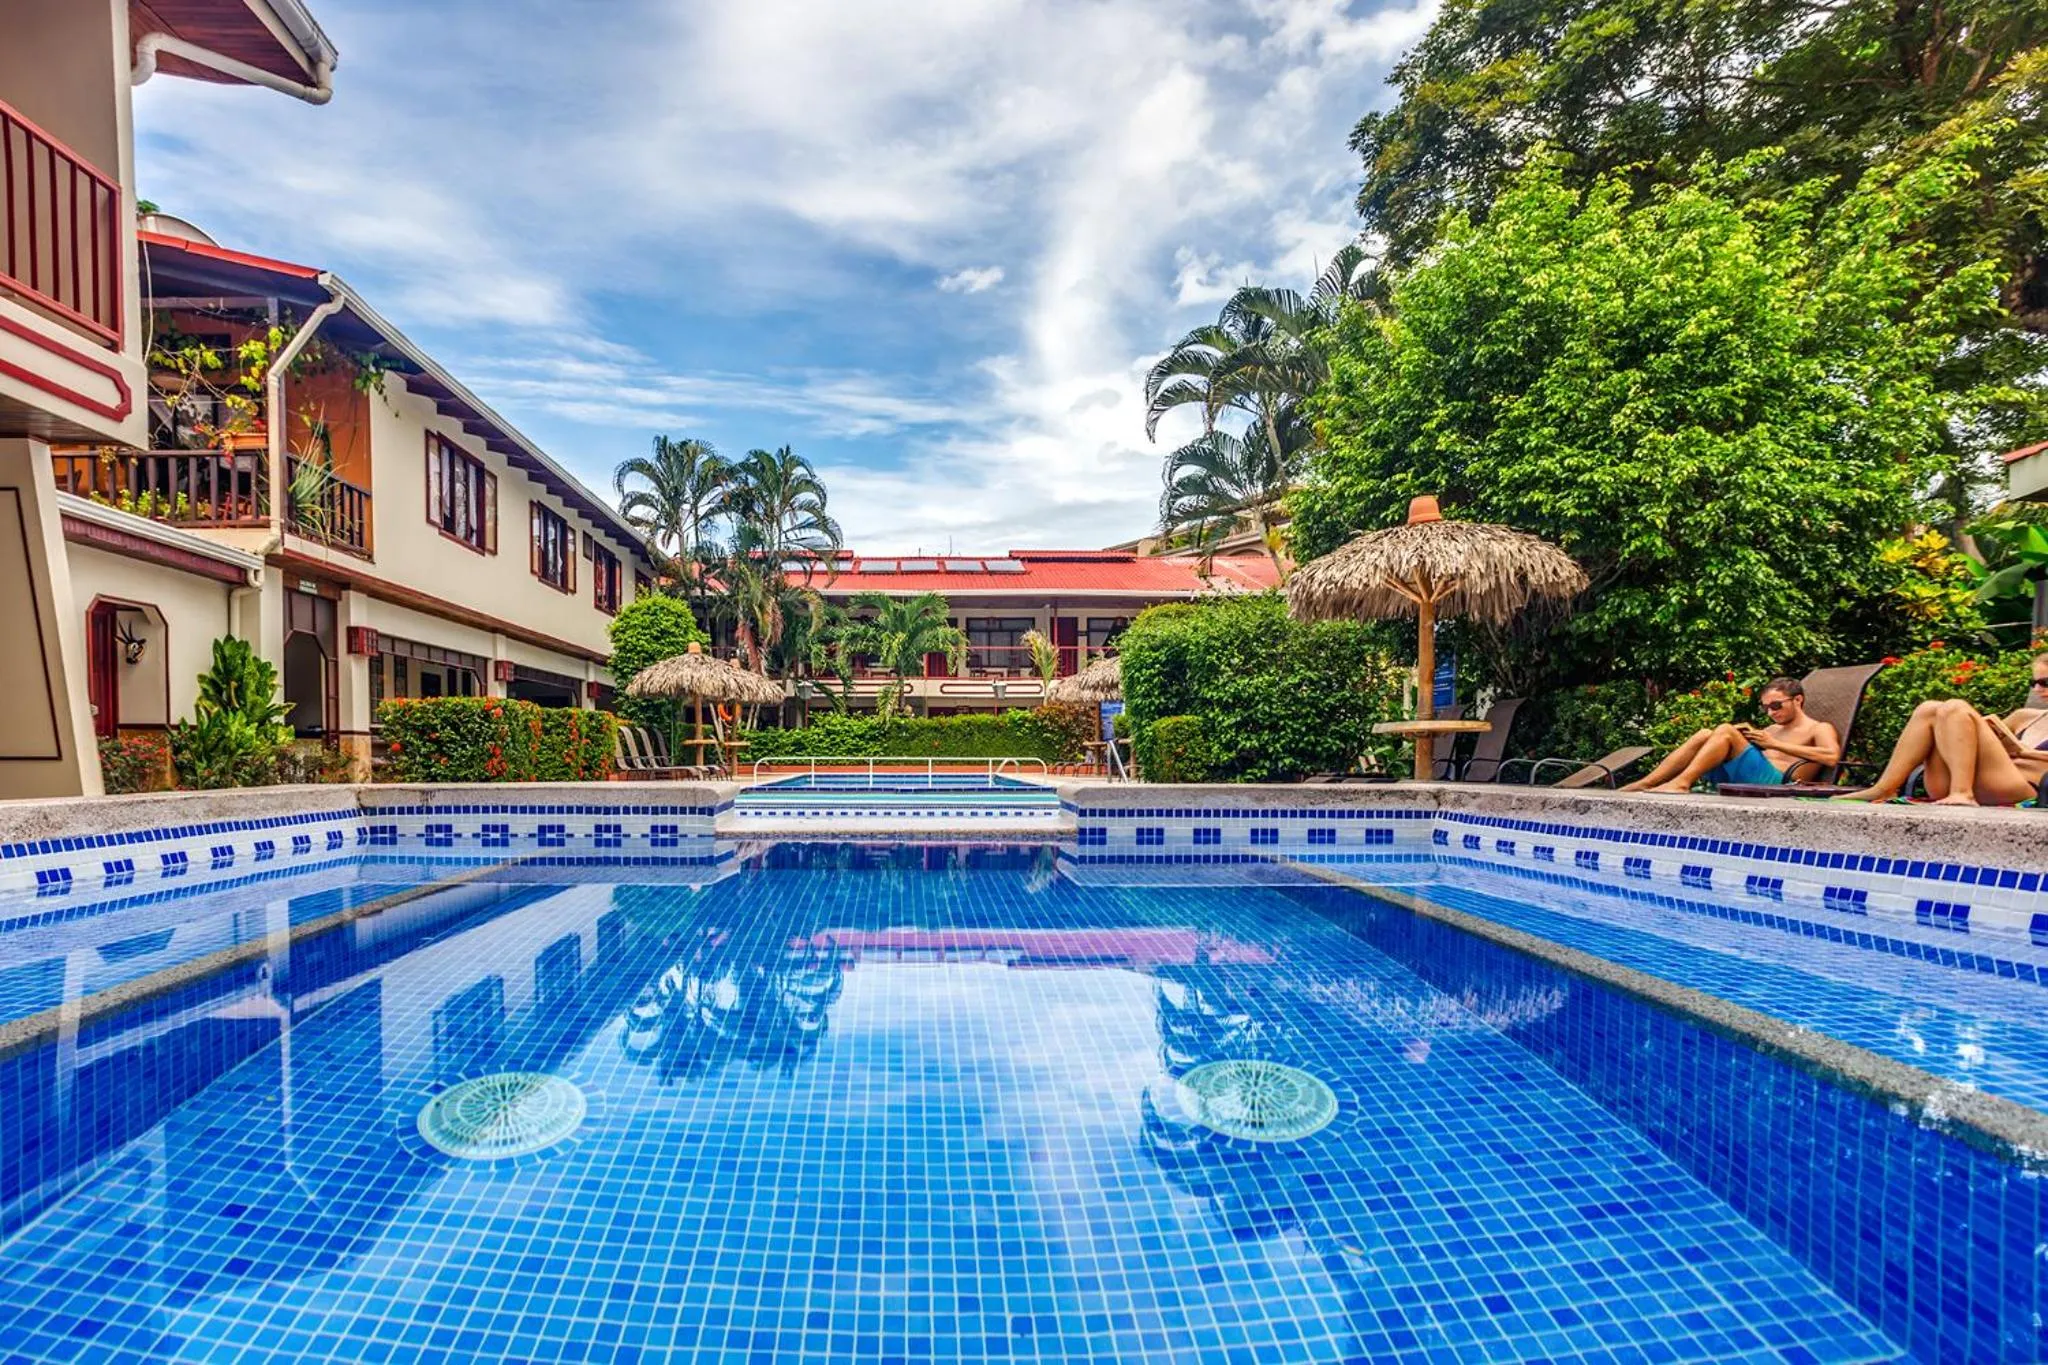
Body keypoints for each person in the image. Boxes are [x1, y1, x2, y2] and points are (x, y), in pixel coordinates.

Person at [1836, 656, 2048, 805]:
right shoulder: (2024, 716)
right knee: (1929, 709)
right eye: (2034, 683)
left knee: (1956, 707)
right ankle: (1884, 788)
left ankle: (1962, 792)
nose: (2038, 689)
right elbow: (1984, 744)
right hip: (1961, 781)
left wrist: (2025, 753)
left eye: (2045, 682)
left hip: (2020, 788)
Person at [1621, 676, 1841, 794]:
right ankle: (1647, 782)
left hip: (1780, 783)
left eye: (1776, 705)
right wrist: (1746, 735)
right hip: (1746, 777)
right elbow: (1749, 751)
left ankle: (1681, 783)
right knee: (1705, 734)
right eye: (1766, 708)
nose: (1771, 713)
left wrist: (1774, 744)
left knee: (1725, 730)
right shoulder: (1772, 730)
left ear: (1798, 700)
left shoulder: (1819, 728)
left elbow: (1831, 757)